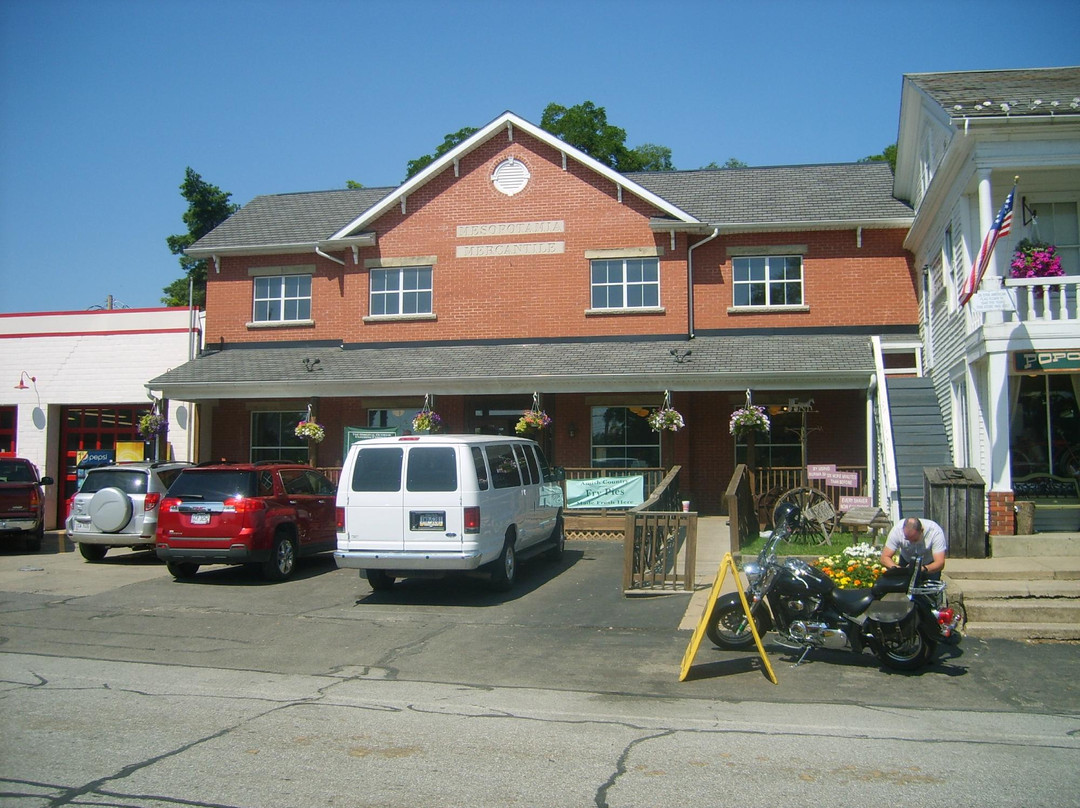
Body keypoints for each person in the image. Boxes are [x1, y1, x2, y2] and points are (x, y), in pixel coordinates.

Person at [880, 516, 947, 579]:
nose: (911, 542)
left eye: (915, 540)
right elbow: (884, 557)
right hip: (906, 562)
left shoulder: (935, 532)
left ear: (922, 530)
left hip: (929, 564)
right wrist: (899, 570)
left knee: (931, 586)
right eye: (907, 539)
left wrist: (923, 569)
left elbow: (940, 562)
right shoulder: (897, 530)